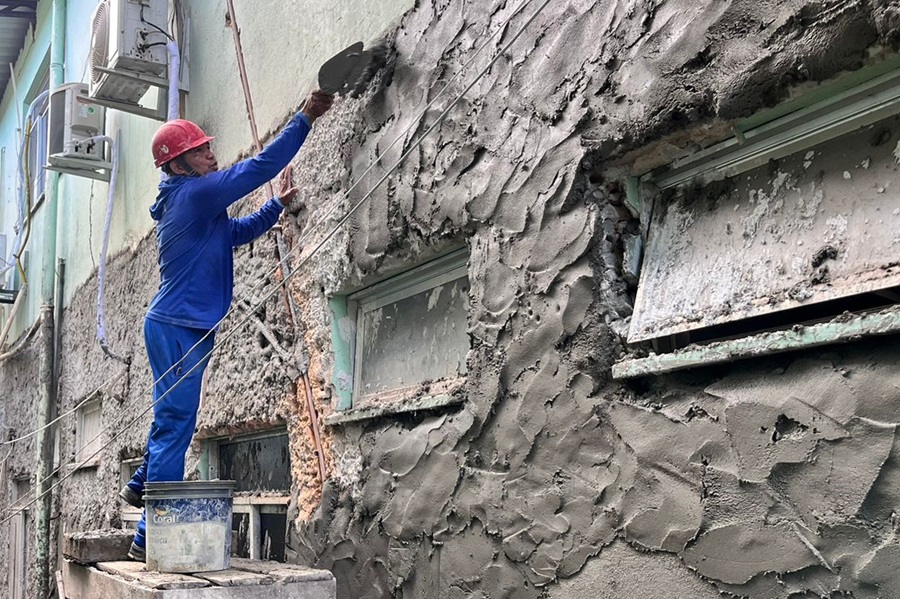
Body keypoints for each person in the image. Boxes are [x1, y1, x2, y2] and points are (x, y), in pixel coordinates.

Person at [120, 90, 334, 561]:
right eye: (200, 151)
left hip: (182, 325)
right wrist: (304, 119)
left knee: (170, 421)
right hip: (178, 325)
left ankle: (140, 486)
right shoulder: (195, 194)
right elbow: (255, 168)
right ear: (179, 165)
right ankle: (146, 540)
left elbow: (233, 235)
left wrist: (275, 208)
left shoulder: (193, 202)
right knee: (177, 425)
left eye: (208, 146)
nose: (211, 153)